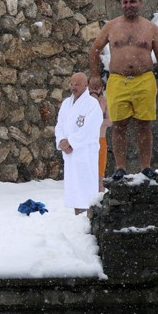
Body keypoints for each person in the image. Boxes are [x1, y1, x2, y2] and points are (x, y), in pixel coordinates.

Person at [89, 0, 158, 181]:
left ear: (141, 3)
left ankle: (145, 167)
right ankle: (120, 167)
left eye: (132, 1)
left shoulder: (150, 28)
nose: (128, 5)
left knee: (144, 124)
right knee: (119, 125)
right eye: (125, 2)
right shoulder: (111, 26)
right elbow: (95, 49)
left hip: (144, 79)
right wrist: (94, 75)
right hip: (118, 79)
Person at [55, 72, 103, 215]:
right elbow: (60, 125)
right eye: (72, 84)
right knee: (74, 190)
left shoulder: (92, 104)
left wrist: (72, 142)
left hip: (85, 152)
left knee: (87, 189)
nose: (74, 87)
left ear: (86, 85)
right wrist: (62, 141)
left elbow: (90, 128)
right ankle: (77, 219)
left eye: (77, 84)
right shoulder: (66, 103)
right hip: (70, 154)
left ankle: (89, 216)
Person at [89, 75, 112, 192]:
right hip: (88, 140)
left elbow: (110, 121)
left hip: (100, 137)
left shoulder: (105, 101)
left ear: (102, 88)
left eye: (96, 87)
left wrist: (99, 121)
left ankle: (100, 186)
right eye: (91, 86)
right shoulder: (84, 102)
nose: (93, 89)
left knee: (100, 166)